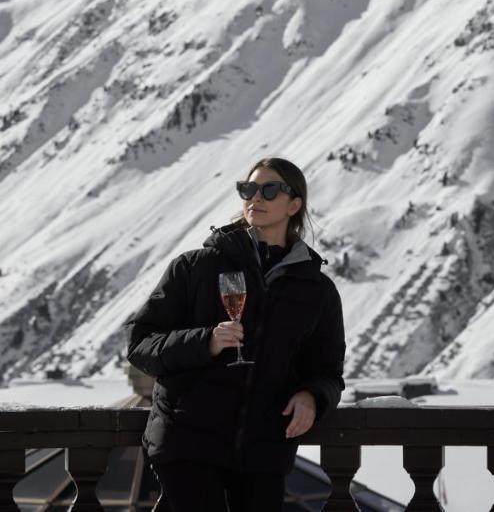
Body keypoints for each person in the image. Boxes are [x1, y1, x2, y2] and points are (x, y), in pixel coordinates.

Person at [125, 156, 346, 511]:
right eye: (248, 189)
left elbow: (327, 370)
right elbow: (141, 344)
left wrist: (311, 395)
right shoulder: (195, 267)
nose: (255, 198)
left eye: (269, 190)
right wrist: (206, 341)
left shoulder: (316, 289)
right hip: (187, 445)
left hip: (263, 452)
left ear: (295, 204)